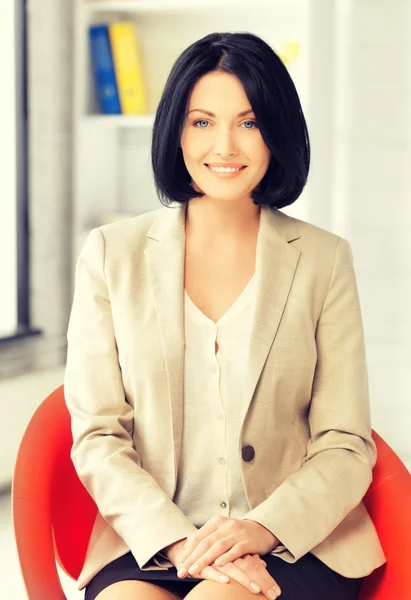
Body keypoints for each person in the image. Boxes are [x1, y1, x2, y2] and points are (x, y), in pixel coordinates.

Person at [64, 31, 386, 600]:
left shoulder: (324, 259)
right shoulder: (111, 254)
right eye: (202, 122)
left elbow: (345, 441)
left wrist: (258, 530)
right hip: (154, 540)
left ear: (276, 133)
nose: (226, 146)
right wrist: (181, 544)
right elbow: (98, 436)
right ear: (176, 132)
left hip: (292, 540)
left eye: (250, 122)